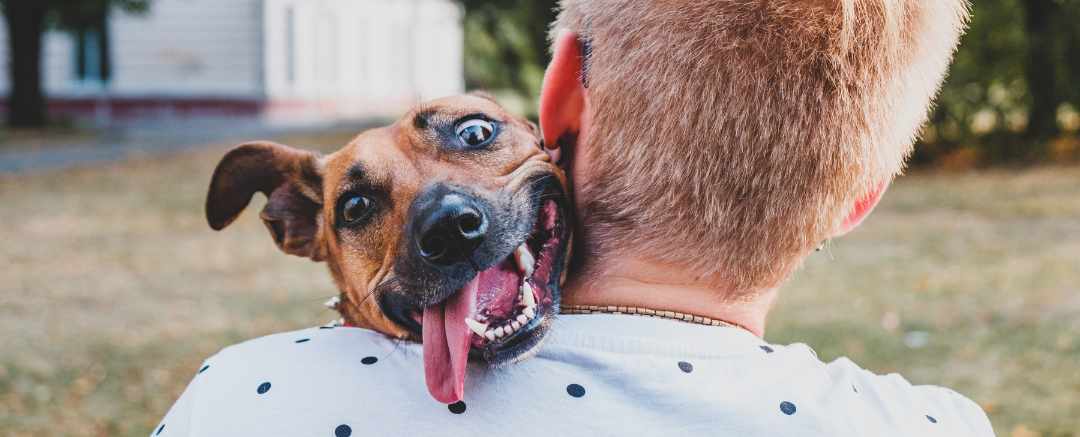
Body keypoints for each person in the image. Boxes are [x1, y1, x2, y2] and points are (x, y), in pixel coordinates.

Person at [154, 1, 993, 436]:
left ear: (553, 106)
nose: (443, 208)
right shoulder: (935, 425)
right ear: (861, 196)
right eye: (365, 204)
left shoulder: (234, 401)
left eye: (473, 137)